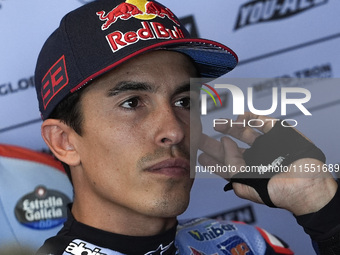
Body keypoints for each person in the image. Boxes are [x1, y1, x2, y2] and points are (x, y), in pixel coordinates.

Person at [34, 0, 339, 254]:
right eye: (132, 103)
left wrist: (322, 208)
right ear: (64, 141)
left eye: (184, 102)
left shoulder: (246, 245)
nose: (175, 131)